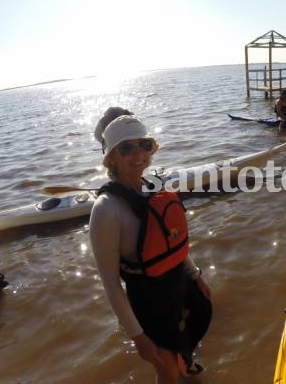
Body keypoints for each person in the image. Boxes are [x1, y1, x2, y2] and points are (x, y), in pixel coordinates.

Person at [89, 115, 212, 383]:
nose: (137, 154)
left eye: (144, 145)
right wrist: (138, 337)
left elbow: (170, 240)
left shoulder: (150, 188)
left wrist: (195, 275)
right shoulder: (106, 209)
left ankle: (186, 362)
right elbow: (110, 281)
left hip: (177, 285)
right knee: (166, 370)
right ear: (111, 157)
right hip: (149, 302)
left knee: (187, 340)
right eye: (126, 148)